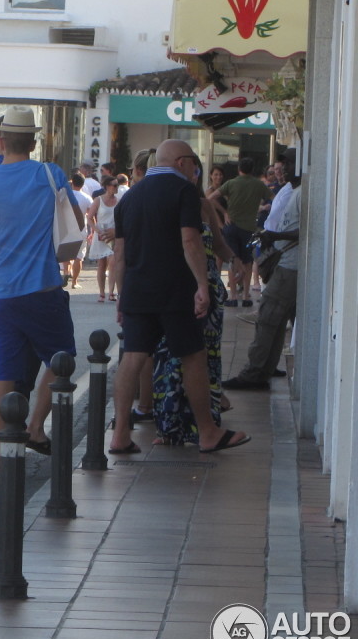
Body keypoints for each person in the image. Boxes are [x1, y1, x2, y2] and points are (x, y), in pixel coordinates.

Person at [0, 107, 83, 476]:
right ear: (33, 141)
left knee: (4, 373)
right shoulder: (50, 174)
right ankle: (34, 428)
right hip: (43, 287)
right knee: (62, 361)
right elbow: (74, 224)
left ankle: (3, 454)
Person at [108, 139, 250, 455]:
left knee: (132, 358)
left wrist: (121, 295)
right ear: (183, 163)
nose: (195, 171)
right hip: (174, 291)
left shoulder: (128, 198)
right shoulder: (183, 190)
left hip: (136, 292)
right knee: (193, 357)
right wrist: (202, 284)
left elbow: (120, 254)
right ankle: (208, 432)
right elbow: (190, 241)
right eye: (194, 165)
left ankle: (119, 435)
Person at [152, 156, 235, 446]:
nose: (194, 176)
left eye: (197, 171)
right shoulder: (169, 202)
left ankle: (200, 425)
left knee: (204, 357)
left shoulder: (205, 205)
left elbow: (222, 246)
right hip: (180, 287)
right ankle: (170, 426)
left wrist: (234, 267)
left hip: (207, 288)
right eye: (193, 170)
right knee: (172, 357)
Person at [223, 184, 302, 391]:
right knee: (275, 321)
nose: (282, 170)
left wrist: (276, 237)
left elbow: (310, 230)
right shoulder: (292, 191)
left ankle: (254, 373)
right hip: (288, 265)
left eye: (289, 163)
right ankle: (264, 369)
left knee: (268, 317)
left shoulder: (304, 191)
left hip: (290, 267)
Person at [208, 157, 272, 309]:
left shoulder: (231, 183)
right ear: (253, 170)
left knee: (232, 259)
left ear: (239, 169)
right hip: (249, 227)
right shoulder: (259, 185)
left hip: (231, 225)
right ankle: (245, 296)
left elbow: (210, 198)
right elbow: (274, 199)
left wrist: (224, 212)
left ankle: (233, 296)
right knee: (247, 260)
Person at [86, 176, 122, 302]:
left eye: (117, 185)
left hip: (113, 233)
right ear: (107, 186)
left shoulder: (119, 200)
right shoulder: (98, 200)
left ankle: (111, 292)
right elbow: (89, 218)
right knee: (102, 264)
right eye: (114, 185)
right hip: (101, 233)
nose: (116, 187)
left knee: (113, 262)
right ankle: (102, 292)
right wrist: (97, 231)